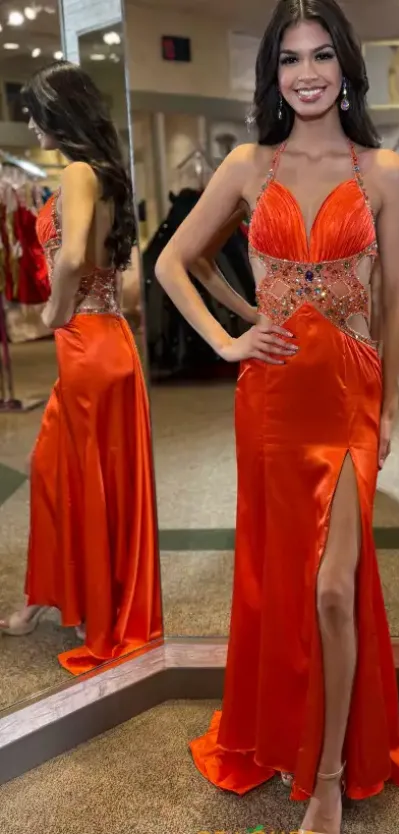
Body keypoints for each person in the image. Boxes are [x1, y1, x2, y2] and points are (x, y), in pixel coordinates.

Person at [155, 0, 399, 831]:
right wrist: (230, 337)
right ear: (272, 72)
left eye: (321, 55)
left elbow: (398, 301)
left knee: (334, 589)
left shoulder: (382, 170)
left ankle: (329, 775)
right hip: (269, 400)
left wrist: (389, 410)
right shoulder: (248, 164)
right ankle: (283, 731)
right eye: (290, 58)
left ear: (346, 65)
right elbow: (171, 263)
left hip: (348, 397)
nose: (307, 74)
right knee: (279, 582)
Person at [0, 61, 162, 675]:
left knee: (69, 474)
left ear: (58, 114)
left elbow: (69, 258)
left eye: (35, 113)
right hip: (109, 339)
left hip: (86, 340)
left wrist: (53, 310)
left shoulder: (75, 172)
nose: (30, 124)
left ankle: (78, 603)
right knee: (69, 470)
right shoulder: (105, 174)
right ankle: (64, 596)